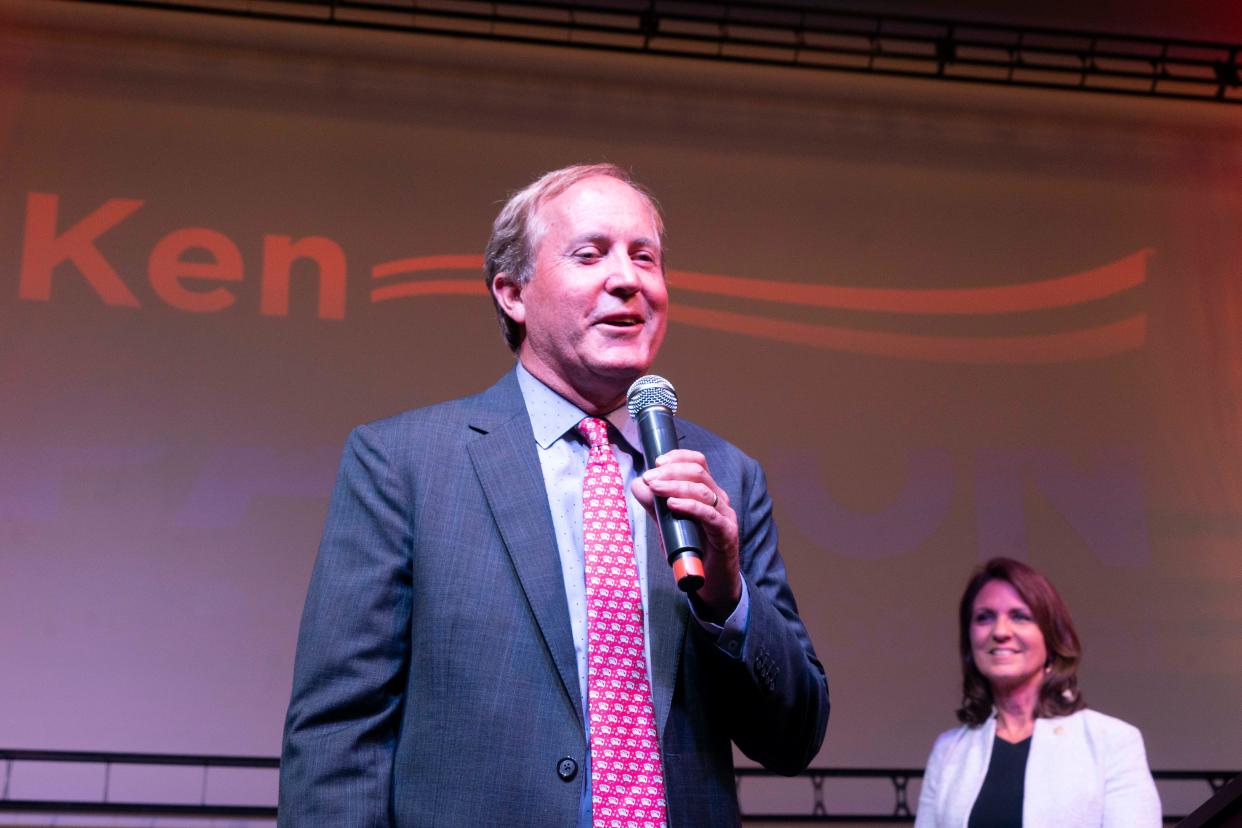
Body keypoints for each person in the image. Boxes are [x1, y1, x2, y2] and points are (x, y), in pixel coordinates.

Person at [277, 162, 830, 827]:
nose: (627, 279)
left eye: (645, 257)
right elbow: (340, 736)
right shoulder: (405, 464)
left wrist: (728, 599)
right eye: (589, 254)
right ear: (511, 293)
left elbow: (795, 736)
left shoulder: (724, 476)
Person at [915, 557, 1160, 827]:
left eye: (1019, 616)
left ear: (1051, 637)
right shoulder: (949, 751)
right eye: (984, 617)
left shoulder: (1112, 742)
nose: (1000, 631)